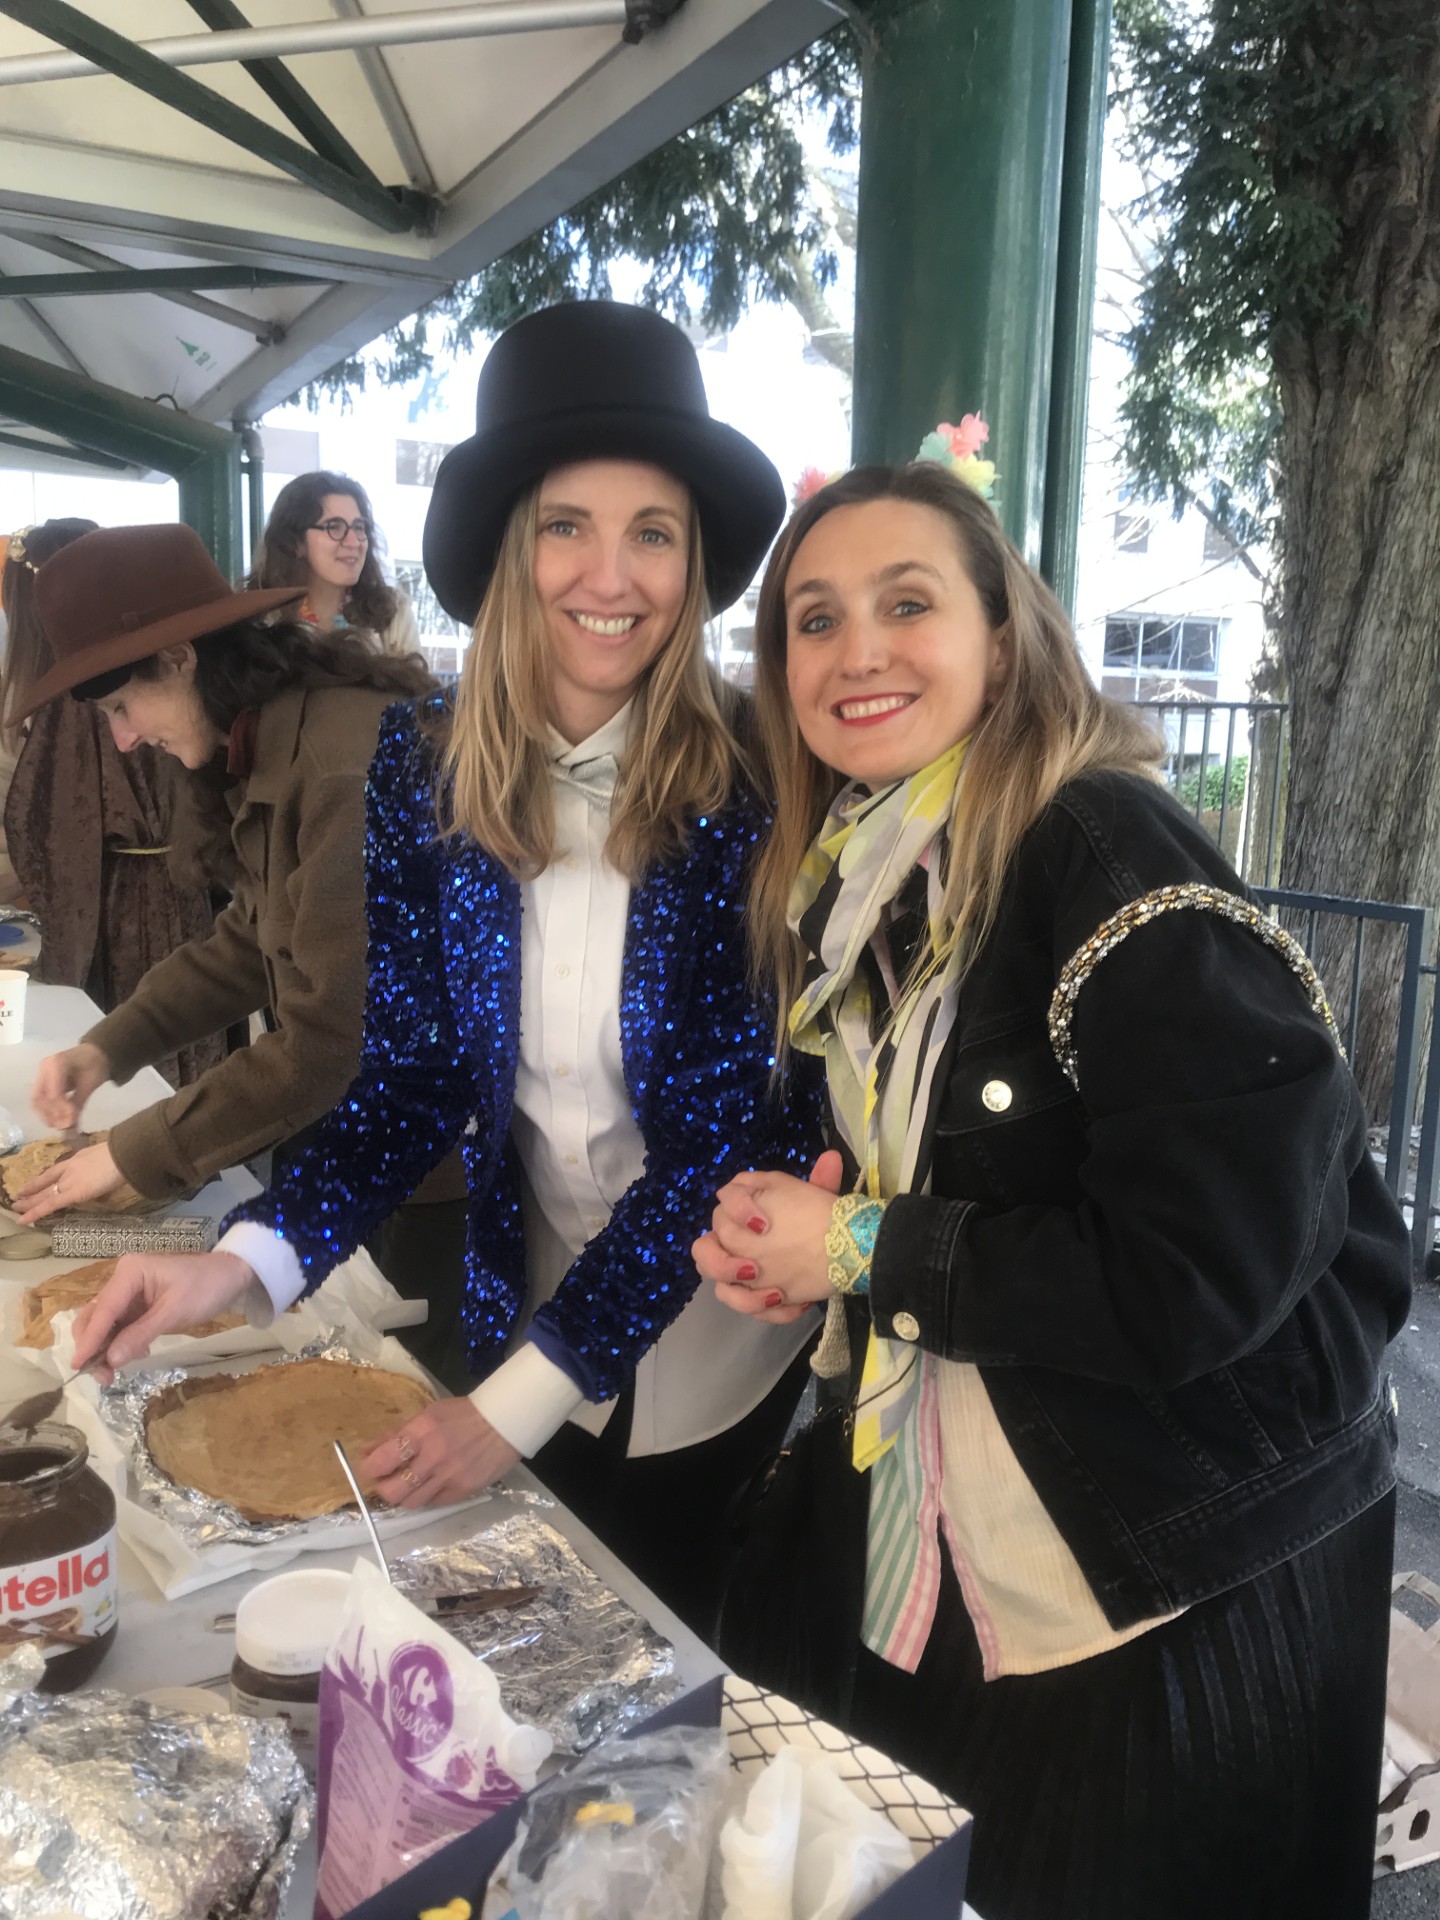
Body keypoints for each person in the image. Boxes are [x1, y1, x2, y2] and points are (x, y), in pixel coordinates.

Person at [693, 459, 1411, 1918]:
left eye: (907, 603)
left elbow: (1196, 1269)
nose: (857, 651)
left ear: (1003, 635)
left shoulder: (1100, 844)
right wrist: (821, 1256)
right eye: (814, 620)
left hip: (1178, 1566)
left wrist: (862, 1245)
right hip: (981, 1527)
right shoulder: (873, 873)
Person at [70, 301, 825, 1637]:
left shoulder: (761, 783)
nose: (613, 575)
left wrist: (515, 1404)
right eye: (567, 526)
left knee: (660, 1640)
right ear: (511, 549)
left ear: (695, 560)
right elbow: (412, 1075)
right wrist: (242, 1265)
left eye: (653, 532)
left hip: (711, 1341)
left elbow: (717, 1140)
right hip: (519, 1307)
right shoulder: (421, 762)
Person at [12, 522, 433, 1222]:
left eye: (121, 708)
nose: (124, 740)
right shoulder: (272, 736)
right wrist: (108, 1048)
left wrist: (133, 1155)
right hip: (354, 1139)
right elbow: (251, 940)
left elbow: (331, 1040)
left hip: (421, 1169)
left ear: (179, 658)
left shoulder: (340, 771)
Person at [1, 519, 223, 1086]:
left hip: (129, 912)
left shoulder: (77, 703)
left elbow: (50, 833)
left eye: (121, 712)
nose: (123, 738)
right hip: (179, 903)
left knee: (149, 1073)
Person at [246, 471, 421, 655]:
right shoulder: (260, 621)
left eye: (359, 527)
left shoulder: (392, 616)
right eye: (334, 527)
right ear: (296, 542)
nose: (354, 542)